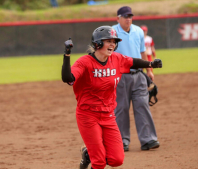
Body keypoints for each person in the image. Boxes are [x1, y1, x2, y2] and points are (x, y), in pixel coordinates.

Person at [61, 26, 162, 169]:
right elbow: (67, 78)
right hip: (88, 115)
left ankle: (88, 153)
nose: (112, 44)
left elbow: (133, 62)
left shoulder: (116, 59)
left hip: (108, 115)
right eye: (108, 41)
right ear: (97, 44)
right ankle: (92, 155)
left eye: (114, 42)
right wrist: (67, 54)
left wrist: (150, 64)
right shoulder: (84, 63)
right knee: (99, 162)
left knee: (117, 160)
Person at [112, 6, 160, 152]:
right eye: (125, 16)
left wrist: (149, 71)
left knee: (142, 106)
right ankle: (121, 141)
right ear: (118, 18)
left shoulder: (138, 31)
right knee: (121, 108)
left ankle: (148, 139)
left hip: (138, 75)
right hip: (120, 76)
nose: (128, 19)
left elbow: (142, 52)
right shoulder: (112, 32)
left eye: (130, 16)